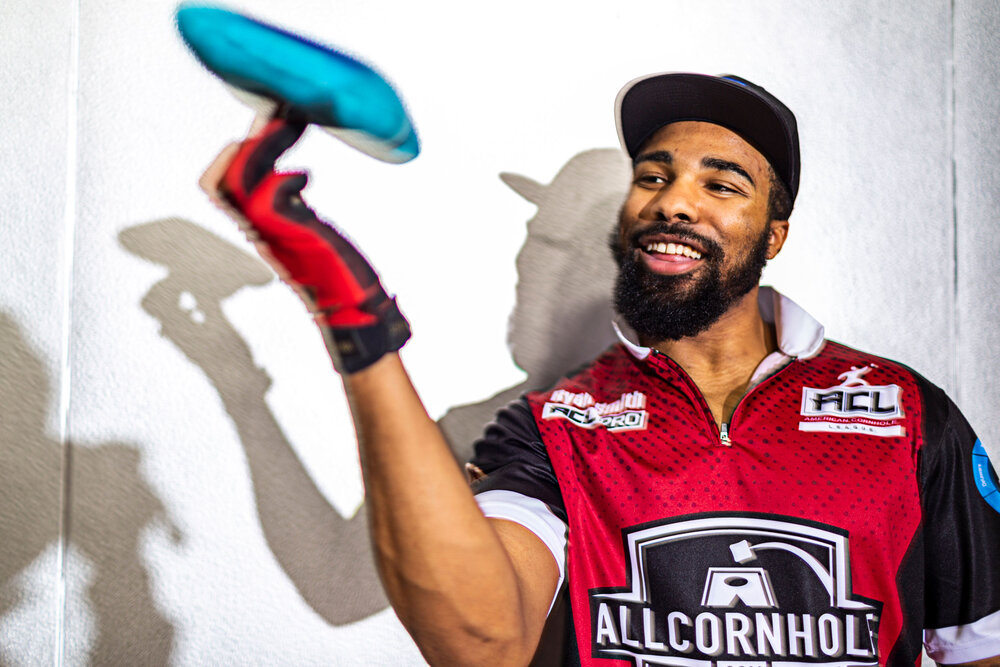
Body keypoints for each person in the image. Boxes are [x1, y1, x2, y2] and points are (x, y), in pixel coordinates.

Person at [201, 73, 1000, 667]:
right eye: (652, 177)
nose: (673, 201)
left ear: (775, 233)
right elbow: (481, 639)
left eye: (720, 184)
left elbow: (980, 651)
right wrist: (352, 311)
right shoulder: (552, 424)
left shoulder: (904, 413)